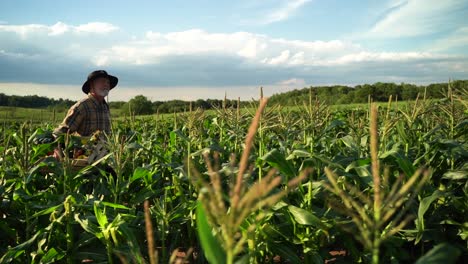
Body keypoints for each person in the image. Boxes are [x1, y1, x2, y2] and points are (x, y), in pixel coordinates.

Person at [53, 70, 118, 137]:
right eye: (102, 81)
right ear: (91, 85)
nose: (106, 84)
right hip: (85, 147)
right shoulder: (82, 106)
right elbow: (64, 130)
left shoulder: (105, 107)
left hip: (105, 147)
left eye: (108, 82)